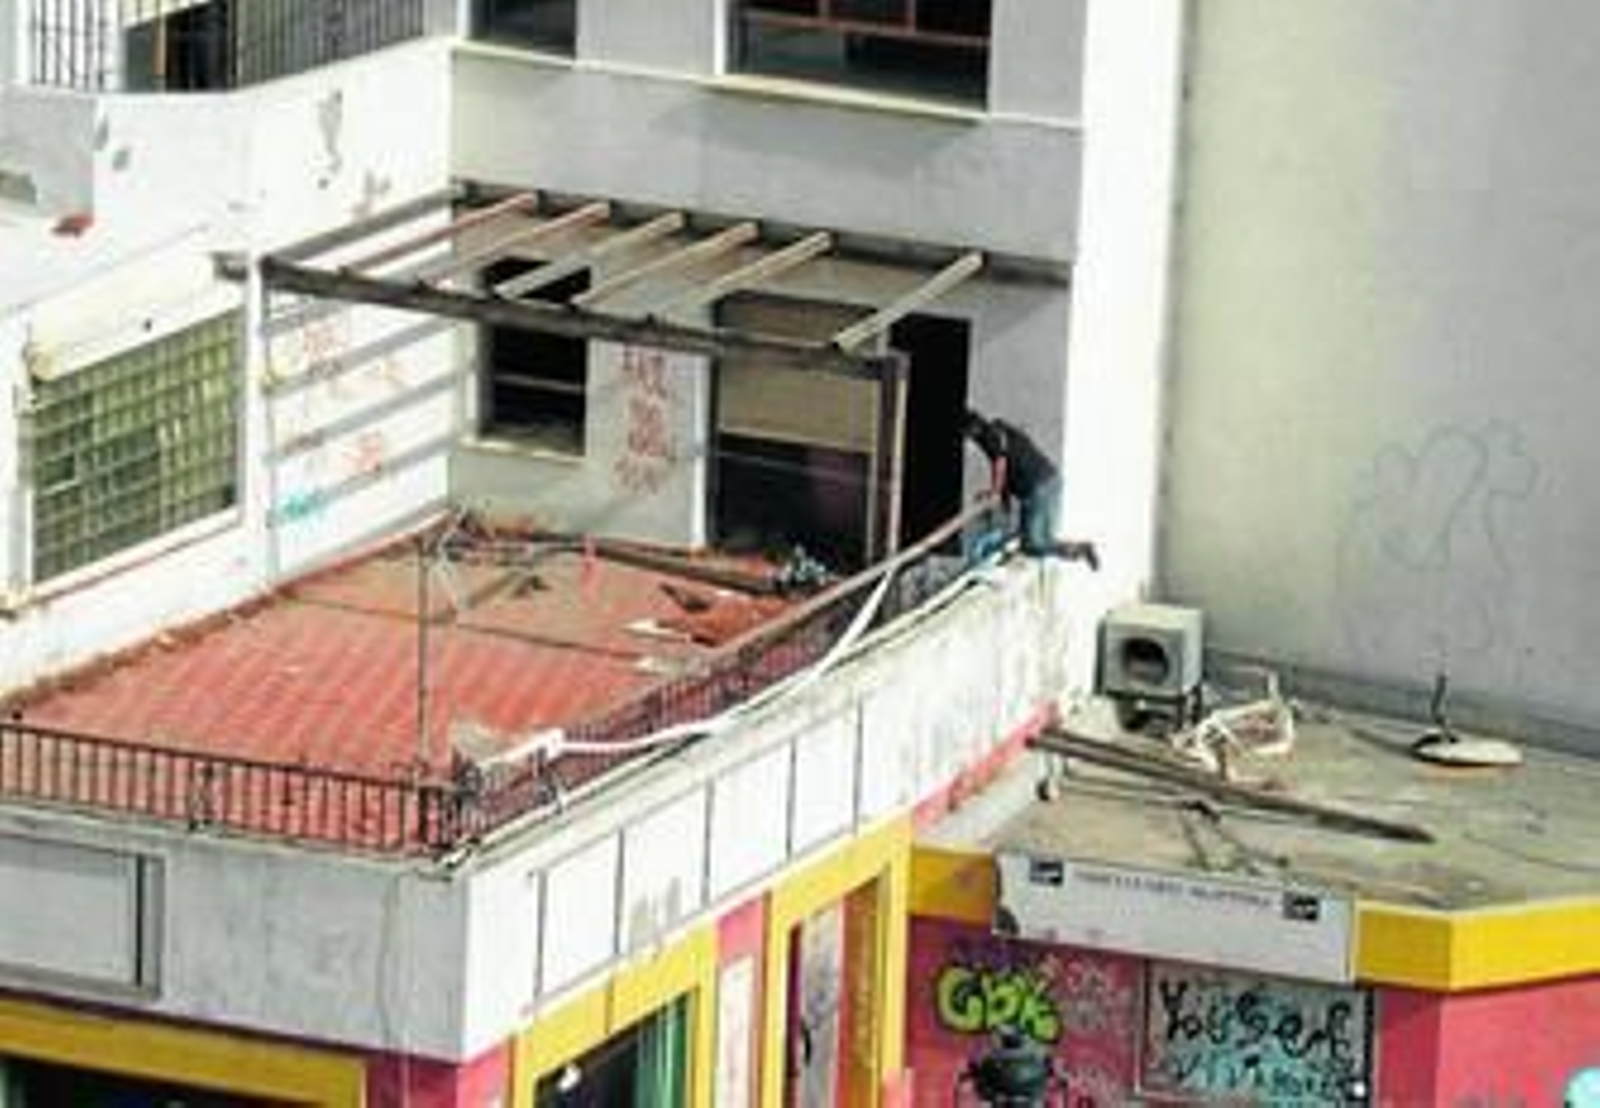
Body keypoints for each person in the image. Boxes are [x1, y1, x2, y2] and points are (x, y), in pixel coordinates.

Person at [963, 409, 1100, 569]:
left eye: (967, 434)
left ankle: (1081, 549)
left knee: (1032, 544)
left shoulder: (988, 436)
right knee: (1040, 540)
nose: (967, 440)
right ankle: (1078, 551)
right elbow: (1008, 463)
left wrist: (995, 492)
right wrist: (1003, 499)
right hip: (1050, 479)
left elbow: (1000, 463)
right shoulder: (1000, 429)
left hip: (1037, 489)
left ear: (973, 429)